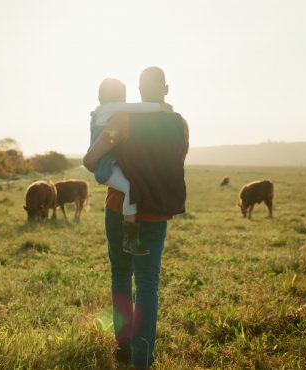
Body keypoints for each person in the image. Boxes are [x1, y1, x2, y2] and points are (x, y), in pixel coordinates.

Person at [83, 67, 189, 369]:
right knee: (147, 285)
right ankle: (143, 361)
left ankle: (124, 344)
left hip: (119, 209)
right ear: (165, 89)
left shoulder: (123, 119)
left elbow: (91, 160)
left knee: (120, 275)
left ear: (138, 92)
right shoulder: (180, 125)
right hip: (155, 213)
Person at [88, 78, 171, 255]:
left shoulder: (100, 112)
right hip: (105, 166)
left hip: (108, 163)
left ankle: (130, 236)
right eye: (123, 97)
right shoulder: (111, 109)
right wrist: (159, 108)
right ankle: (131, 239)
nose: (125, 101)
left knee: (131, 185)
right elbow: (137, 108)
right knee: (131, 188)